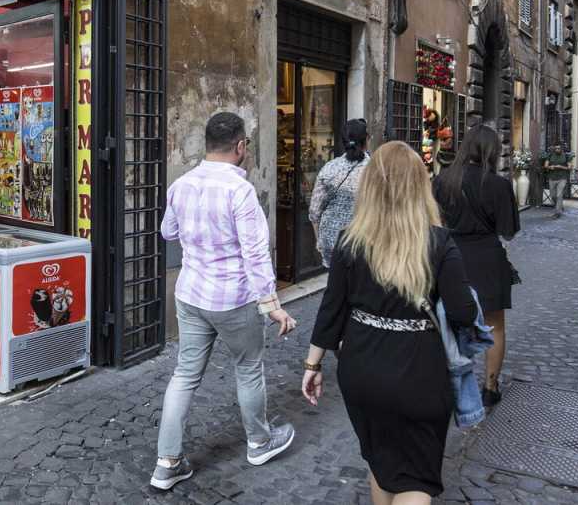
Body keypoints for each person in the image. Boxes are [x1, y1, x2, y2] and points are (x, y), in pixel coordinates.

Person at [302, 141, 477, 505]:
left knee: (381, 462)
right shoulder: (440, 243)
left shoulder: (349, 242)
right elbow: (463, 314)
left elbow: (331, 310)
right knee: (415, 475)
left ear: (371, 187)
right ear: (419, 186)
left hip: (361, 370)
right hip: (420, 373)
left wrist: (312, 364)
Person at [152, 112, 297, 490]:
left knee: (184, 375)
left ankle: (166, 463)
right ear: (240, 146)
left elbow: (167, 231)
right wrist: (272, 305)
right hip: (232, 298)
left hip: (191, 294)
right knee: (248, 369)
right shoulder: (240, 191)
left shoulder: (182, 184)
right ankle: (260, 442)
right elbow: (255, 252)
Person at [432, 125, 519, 406]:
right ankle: (490, 387)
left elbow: (436, 223)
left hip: (450, 257)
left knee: (447, 321)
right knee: (495, 326)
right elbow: (508, 230)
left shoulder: (443, 180)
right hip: (487, 259)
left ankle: (446, 380)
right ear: (492, 152)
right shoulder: (499, 185)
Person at [309, 119, 370, 269]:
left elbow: (314, 211)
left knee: (336, 285)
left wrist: (319, 241)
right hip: (362, 243)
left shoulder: (329, 168)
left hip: (331, 242)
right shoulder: (374, 170)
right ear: (366, 141)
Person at [543, 144, 571, 219]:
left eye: (559, 148)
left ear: (561, 149)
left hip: (562, 178)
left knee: (559, 195)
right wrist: (549, 167)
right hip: (552, 177)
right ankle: (560, 206)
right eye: (556, 148)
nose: (557, 150)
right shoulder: (550, 155)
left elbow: (569, 167)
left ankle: (557, 213)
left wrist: (561, 167)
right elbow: (545, 165)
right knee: (553, 196)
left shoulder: (566, 156)